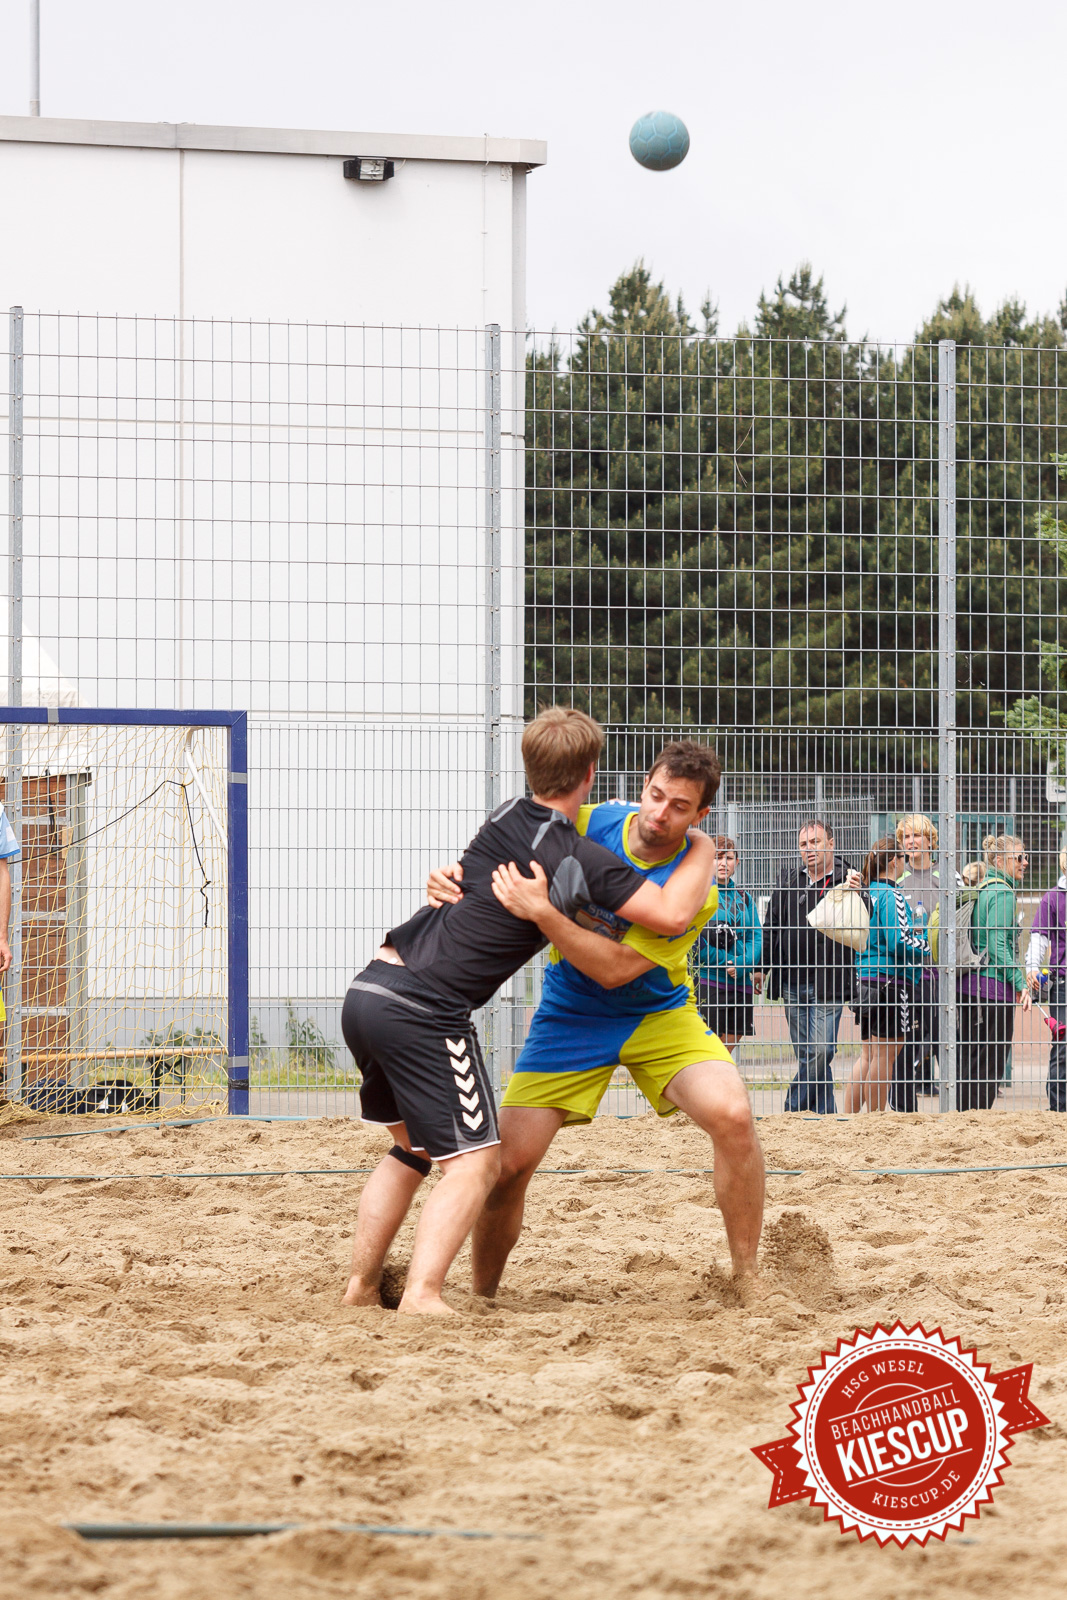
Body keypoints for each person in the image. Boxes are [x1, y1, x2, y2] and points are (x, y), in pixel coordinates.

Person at [340, 708, 716, 1316]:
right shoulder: (577, 859)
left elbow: (460, 881)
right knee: (477, 1163)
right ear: (592, 773)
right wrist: (699, 840)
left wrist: (444, 878)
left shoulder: (502, 817)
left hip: (370, 988)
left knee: (413, 1151)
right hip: (424, 1011)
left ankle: (361, 1288)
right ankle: (423, 1295)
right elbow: (673, 915)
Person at [429, 742, 767, 1302]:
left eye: (680, 807)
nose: (660, 813)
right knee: (507, 1166)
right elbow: (505, 846)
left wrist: (542, 912)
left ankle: (747, 1276)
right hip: (571, 1013)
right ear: (642, 785)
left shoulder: (694, 885)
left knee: (733, 1116)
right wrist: (453, 878)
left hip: (656, 1013)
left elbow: (615, 969)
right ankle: (483, 1295)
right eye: (655, 795)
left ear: (700, 815)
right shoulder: (587, 820)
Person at [753, 820, 863, 1114]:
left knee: (821, 1051)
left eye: (815, 842)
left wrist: (861, 892)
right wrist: (761, 967)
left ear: (831, 843)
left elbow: (865, 917)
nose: (809, 849)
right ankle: (825, 1113)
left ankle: (793, 1106)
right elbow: (771, 927)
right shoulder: (789, 880)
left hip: (829, 981)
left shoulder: (847, 879)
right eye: (804, 844)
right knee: (807, 1054)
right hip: (791, 981)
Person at [844, 837, 928, 1113]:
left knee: (868, 1055)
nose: (906, 861)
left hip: (866, 976)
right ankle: (877, 1116)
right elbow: (899, 941)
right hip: (891, 982)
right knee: (886, 1056)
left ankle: (849, 1117)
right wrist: (925, 945)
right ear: (894, 861)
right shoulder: (892, 896)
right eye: (903, 856)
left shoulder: (867, 893)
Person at [956, 833, 1033, 1111]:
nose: (1025, 862)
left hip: (970, 988)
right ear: (1000, 860)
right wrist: (1020, 981)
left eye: (1026, 857)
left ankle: (964, 1121)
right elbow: (998, 945)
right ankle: (974, 1124)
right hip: (989, 992)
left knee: (970, 1063)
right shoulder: (1002, 893)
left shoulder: (984, 887)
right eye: (1019, 857)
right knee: (988, 1066)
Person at [891, 814, 951, 1111]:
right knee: (904, 1044)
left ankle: (954, 1109)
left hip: (941, 977)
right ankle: (904, 1112)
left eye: (916, 836)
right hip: (907, 977)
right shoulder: (896, 879)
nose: (910, 842)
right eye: (905, 837)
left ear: (930, 840)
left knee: (946, 1041)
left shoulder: (949, 878)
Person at [694, 837, 762, 1050]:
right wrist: (727, 961)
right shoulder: (699, 894)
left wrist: (743, 963)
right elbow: (695, 942)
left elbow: (756, 937)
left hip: (741, 984)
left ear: (737, 862)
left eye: (729, 858)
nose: (724, 863)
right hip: (709, 982)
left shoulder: (745, 898)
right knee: (707, 1050)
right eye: (718, 857)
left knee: (727, 1048)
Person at [1025, 847, 1067, 1112]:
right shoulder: (1053, 897)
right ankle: (1059, 1108)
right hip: (1063, 982)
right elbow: (1039, 937)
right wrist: (1032, 967)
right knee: (1063, 1046)